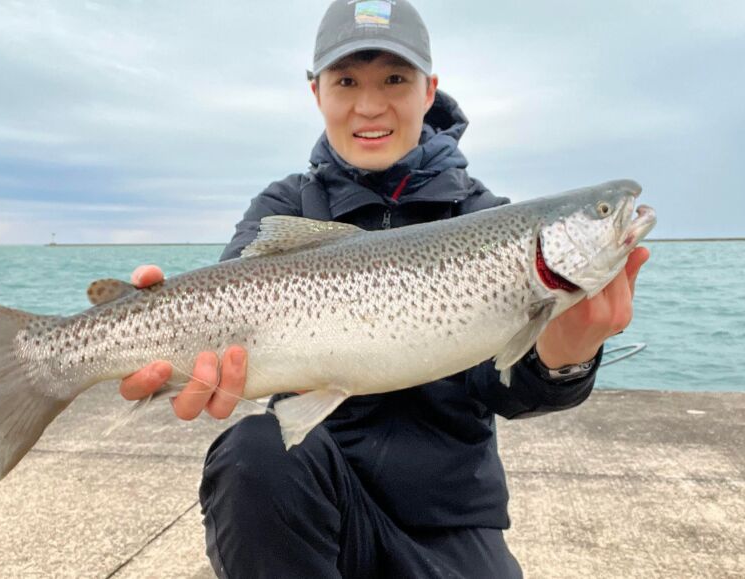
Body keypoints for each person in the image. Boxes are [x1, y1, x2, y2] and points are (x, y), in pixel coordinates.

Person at [120, 1, 649, 577]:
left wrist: (564, 360)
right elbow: (226, 338)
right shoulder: (284, 205)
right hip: (310, 494)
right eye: (346, 80)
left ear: (429, 90)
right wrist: (155, 329)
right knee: (253, 451)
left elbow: (509, 389)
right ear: (315, 91)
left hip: (451, 519)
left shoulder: (481, 214)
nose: (369, 105)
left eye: (395, 79)